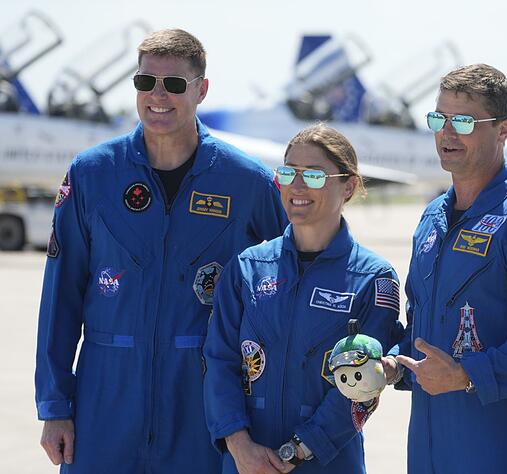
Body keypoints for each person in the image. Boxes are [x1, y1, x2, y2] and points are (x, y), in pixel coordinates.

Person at [35, 29, 288, 473]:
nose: (157, 96)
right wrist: (55, 405)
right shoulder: (93, 175)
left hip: (205, 402)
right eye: (144, 82)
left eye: (173, 84)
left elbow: (281, 295)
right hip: (104, 400)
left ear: (201, 90)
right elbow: (61, 296)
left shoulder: (246, 183)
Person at [389, 64, 507, 473]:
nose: (447, 132)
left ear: (504, 129)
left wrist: (466, 375)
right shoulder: (431, 219)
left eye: (464, 120)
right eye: (439, 118)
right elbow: (422, 325)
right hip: (428, 443)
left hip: (498, 443)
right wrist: (391, 365)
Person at [203, 124, 403, 474]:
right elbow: (219, 360)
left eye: (313, 175)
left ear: (350, 185)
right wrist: (239, 445)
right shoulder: (247, 268)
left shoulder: (374, 278)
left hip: (326, 462)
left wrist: (296, 452)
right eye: (288, 173)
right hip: (245, 463)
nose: (296, 186)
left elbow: (364, 385)